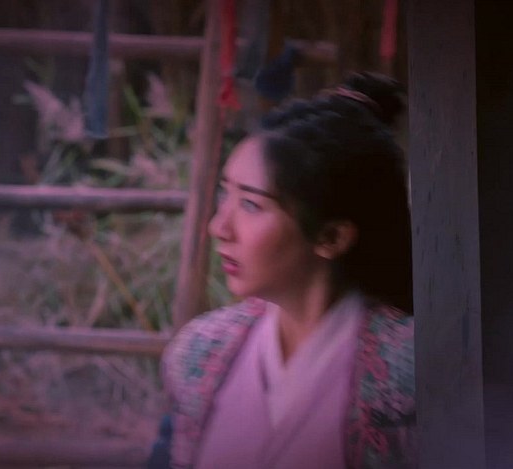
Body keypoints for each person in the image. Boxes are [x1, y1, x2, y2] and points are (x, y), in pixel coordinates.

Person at [149, 72, 415, 469]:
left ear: (331, 237)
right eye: (226, 194)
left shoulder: (410, 373)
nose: (219, 227)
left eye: (251, 205)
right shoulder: (202, 353)